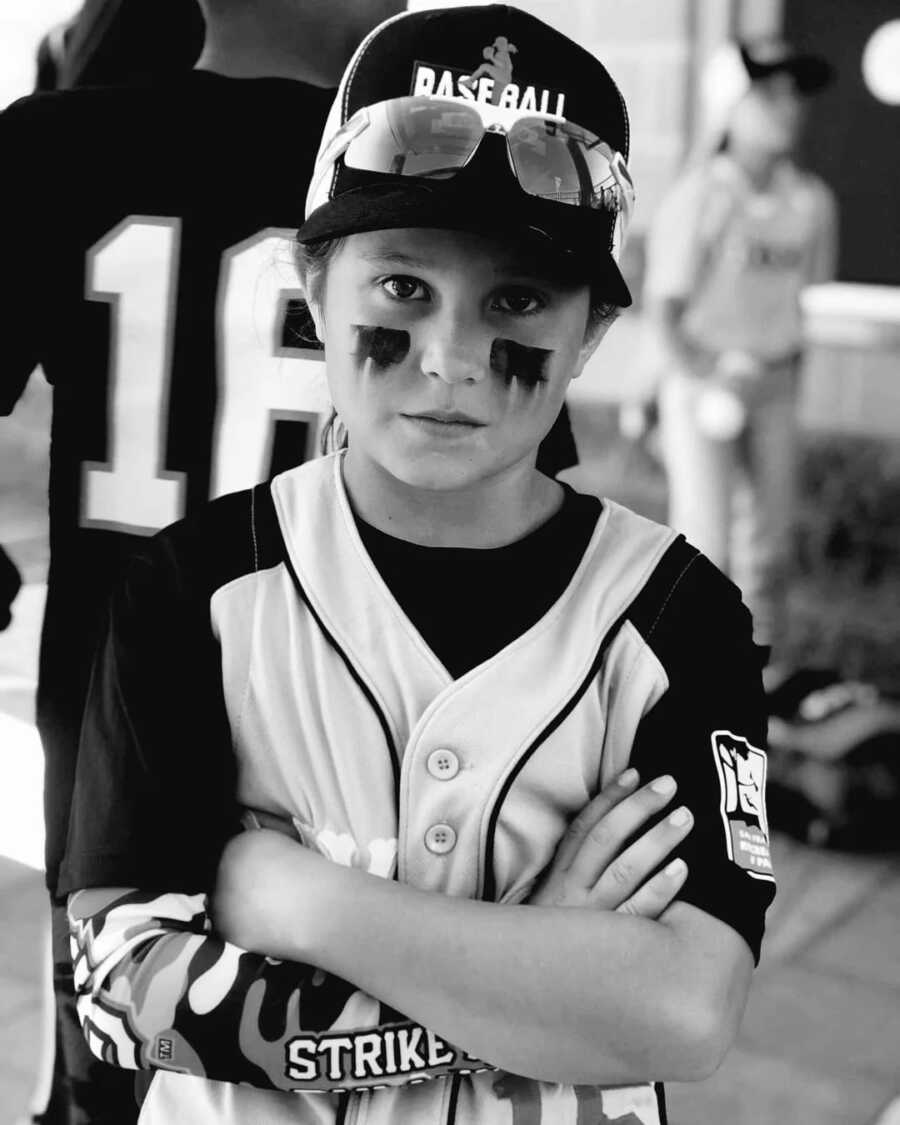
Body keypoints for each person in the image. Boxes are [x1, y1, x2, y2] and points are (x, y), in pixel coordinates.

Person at [59, 6, 776, 1123]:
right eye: (402, 286)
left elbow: (685, 1013)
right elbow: (117, 990)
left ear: (589, 332)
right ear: (316, 283)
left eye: (519, 299)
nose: (449, 361)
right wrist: (544, 976)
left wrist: (296, 900)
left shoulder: (679, 618)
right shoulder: (191, 590)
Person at [2, 3, 430, 1121]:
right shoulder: (419, 173)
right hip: (347, 768)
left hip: (109, 753)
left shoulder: (54, 143)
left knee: (105, 1087)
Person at [644, 39, 838, 661]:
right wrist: (704, 375)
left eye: (794, 95)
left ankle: (759, 679)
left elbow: (804, 304)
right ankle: (685, 677)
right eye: (768, 94)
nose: (787, 108)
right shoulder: (701, 194)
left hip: (775, 387)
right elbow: (664, 312)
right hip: (706, 385)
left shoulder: (811, 202)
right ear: (729, 102)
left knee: (772, 548)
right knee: (705, 543)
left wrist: (784, 378)